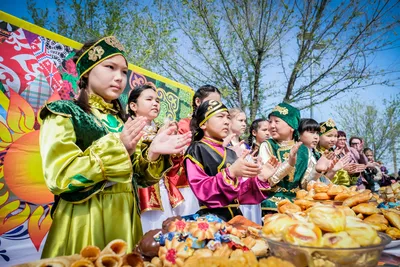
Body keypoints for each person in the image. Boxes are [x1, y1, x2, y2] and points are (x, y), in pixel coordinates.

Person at [39, 36, 191, 257]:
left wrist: (153, 152)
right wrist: (118, 146)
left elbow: (137, 178)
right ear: (87, 72)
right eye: (110, 67)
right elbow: (59, 176)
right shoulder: (65, 112)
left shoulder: (120, 121)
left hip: (125, 215)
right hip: (86, 217)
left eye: (124, 72)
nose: (119, 78)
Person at [184, 100, 279, 221]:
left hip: (236, 217)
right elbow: (202, 189)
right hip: (212, 219)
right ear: (203, 124)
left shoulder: (230, 152)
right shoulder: (196, 149)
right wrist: (231, 173)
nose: (226, 121)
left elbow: (240, 194)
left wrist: (260, 178)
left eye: (228, 117)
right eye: (220, 117)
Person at [127, 84, 198, 233]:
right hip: (140, 194)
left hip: (164, 192)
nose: (155, 103)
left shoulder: (162, 129)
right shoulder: (127, 129)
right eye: (149, 99)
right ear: (133, 105)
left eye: (157, 100)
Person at [258, 103, 307, 213]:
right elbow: (268, 180)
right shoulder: (267, 145)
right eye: (270, 121)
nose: (272, 126)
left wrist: (318, 170)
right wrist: (289, 163)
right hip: (273, 201)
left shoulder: (304, 150)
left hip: (298, 202)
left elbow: (306, 183)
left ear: (291, 126)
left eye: (277, 121)